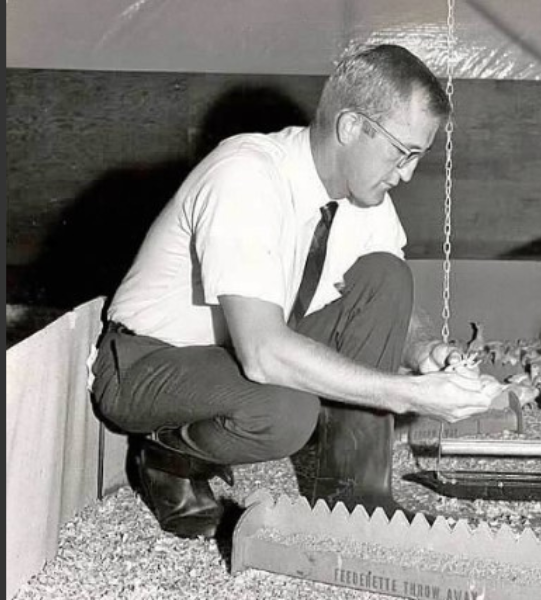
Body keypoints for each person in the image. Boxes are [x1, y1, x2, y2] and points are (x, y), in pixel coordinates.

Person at [89, 44, 499, 539]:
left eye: (418, 156)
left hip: (236, 352)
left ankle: (355, 500)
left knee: (388, 275)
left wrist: (427, 349)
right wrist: (405, 392)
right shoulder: (245, 176)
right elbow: (263, 355)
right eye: (403, 151)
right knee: (285, 410)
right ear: (351, 127)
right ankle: (167, 456)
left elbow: (388, 304)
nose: (408, 173)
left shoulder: (361, 197)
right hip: (147, 363)